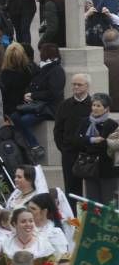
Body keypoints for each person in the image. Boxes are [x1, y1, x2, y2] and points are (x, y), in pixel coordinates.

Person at [11, 43, 66, 162]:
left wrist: (33, 95)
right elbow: (33, 84)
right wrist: (28, 94)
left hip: (49, 107)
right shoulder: (42, 69)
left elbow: (54, 93)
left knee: (25, 120)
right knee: (15, 116)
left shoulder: (56, 70)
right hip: (37, 104)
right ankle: (30, 145)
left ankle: (34, 146)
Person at [55, 74, 93, 202]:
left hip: (89, 154)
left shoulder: (94, 105)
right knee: (71, 190)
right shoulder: (64, 105)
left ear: (87, 86)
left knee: (92, 189)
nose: (75, 87)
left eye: (79, 84)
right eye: (74, 84)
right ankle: (74, 219)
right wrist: (63, 148)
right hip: (69, 153)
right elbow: (58, 130)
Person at [76, 92, 118, 204]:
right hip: (89, 167)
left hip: (108, 169)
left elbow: (111, 146)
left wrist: (95, 141)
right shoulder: (85, 122)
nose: (95, 108)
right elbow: (77, 141)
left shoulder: (112, 125)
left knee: (109, 203)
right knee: (92, 202)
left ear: (106, 109)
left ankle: (109, 222)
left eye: (98, 106)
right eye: (93, 105)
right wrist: (93, 140)